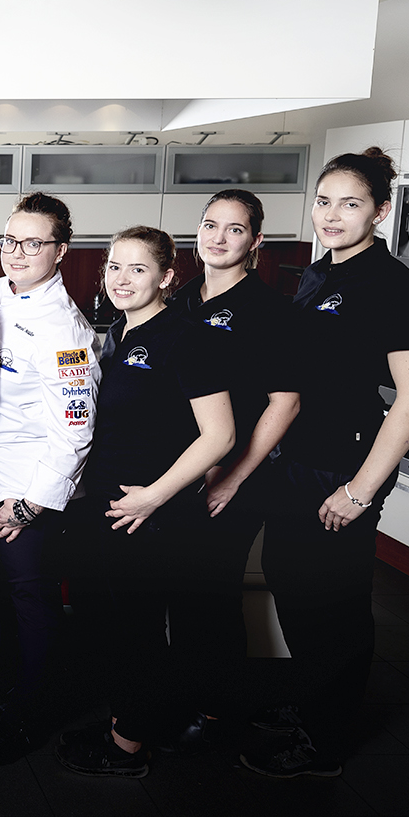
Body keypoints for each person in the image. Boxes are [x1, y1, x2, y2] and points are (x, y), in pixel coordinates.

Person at [242, 149, 409, 778]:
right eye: (324, 201)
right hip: (297, 461)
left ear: (381, 211)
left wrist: (360, 490)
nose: (331, 215)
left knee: (334, 605)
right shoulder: (321, 270)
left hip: (341, 468)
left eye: (350, 204)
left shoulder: (389, 283)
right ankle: (311, 700)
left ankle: (325, 743)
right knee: (295, 586)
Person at [56, 226, 235, 778]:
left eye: (138, 269)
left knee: (136, 632)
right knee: (109, 628)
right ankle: (125, 723)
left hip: (150, 515)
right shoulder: (115, 333)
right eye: (115, 266)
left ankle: (129, 747)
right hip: (104, 507)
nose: (122, 279)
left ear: (166, 276)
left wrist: (153, 497)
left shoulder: (186, 337)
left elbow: (220, 436)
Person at [0, 192, 100, 764]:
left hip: (27, 491)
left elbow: (76, 431)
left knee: (31, 606)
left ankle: (29, 718)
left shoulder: (66, 330)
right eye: (10, 240)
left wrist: (31, 505)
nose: (16, 252)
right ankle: (3, 692)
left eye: (33, 243)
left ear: (60, 251)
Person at [161, 190, 300, 750]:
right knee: (182, 591)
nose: (218, 238)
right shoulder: (179, 299)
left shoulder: (269, 310)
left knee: (211, 594)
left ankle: (217, 712)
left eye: (235, 229)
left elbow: (285, 402)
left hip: (233, 478)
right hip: (182, 473)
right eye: (210, 225)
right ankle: (187, 695)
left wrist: (233, 476)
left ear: (256, 240)